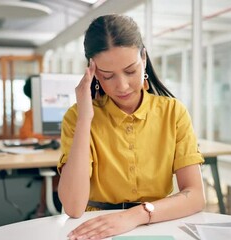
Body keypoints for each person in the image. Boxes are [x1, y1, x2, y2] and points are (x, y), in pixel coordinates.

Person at [57, 14, 206, 240]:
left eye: (130, 71)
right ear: (93, 72)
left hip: (157, 223)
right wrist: (85, 118)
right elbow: (74, 207)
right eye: (108, 76)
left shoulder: (173, 112)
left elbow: (195, 196)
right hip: (96, 229)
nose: (122, 86)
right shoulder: (77, 117)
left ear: (143, 58)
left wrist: (134, 216)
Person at [21, 76, 61, 217]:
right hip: (42, 154)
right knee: (55, 171)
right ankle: (42, 209)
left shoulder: (58, 109)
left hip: (58, 152)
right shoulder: (32, 113)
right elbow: (26, 135)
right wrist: (50, 136)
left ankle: (43, 208)